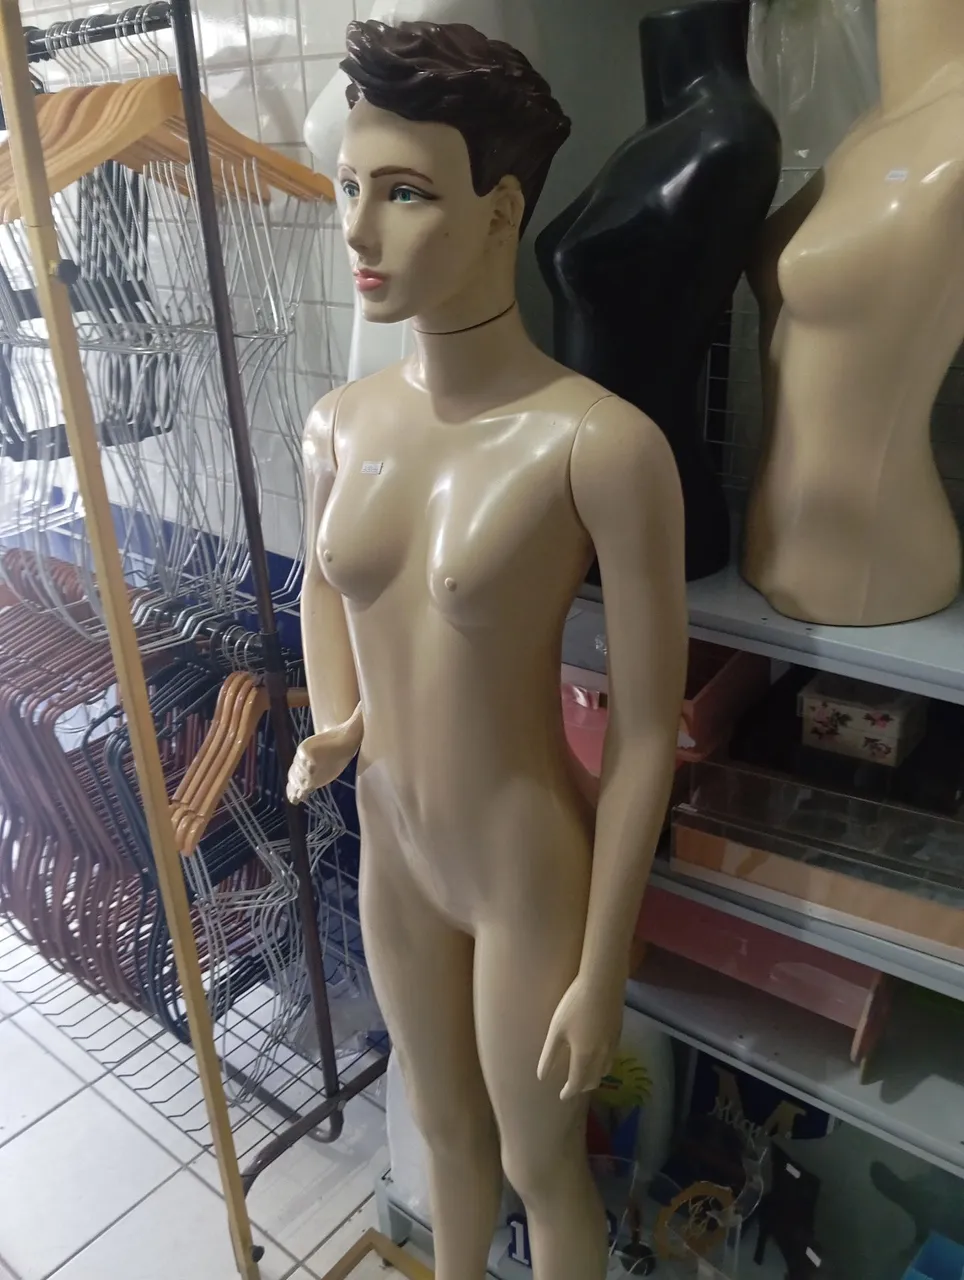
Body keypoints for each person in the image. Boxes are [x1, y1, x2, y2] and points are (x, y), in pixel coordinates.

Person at [287, 21, 686, 1280]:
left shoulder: (600, 446)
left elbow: (643, 735)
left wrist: (602, 960)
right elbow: (320, 586)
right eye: (349, 187)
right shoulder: (337, 425)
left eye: (404, 193)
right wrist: (340, 717)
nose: (359, 230)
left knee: (539, 1162)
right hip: (391, 844)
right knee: (442, 1127)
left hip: (524, 869)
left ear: (501, 209)